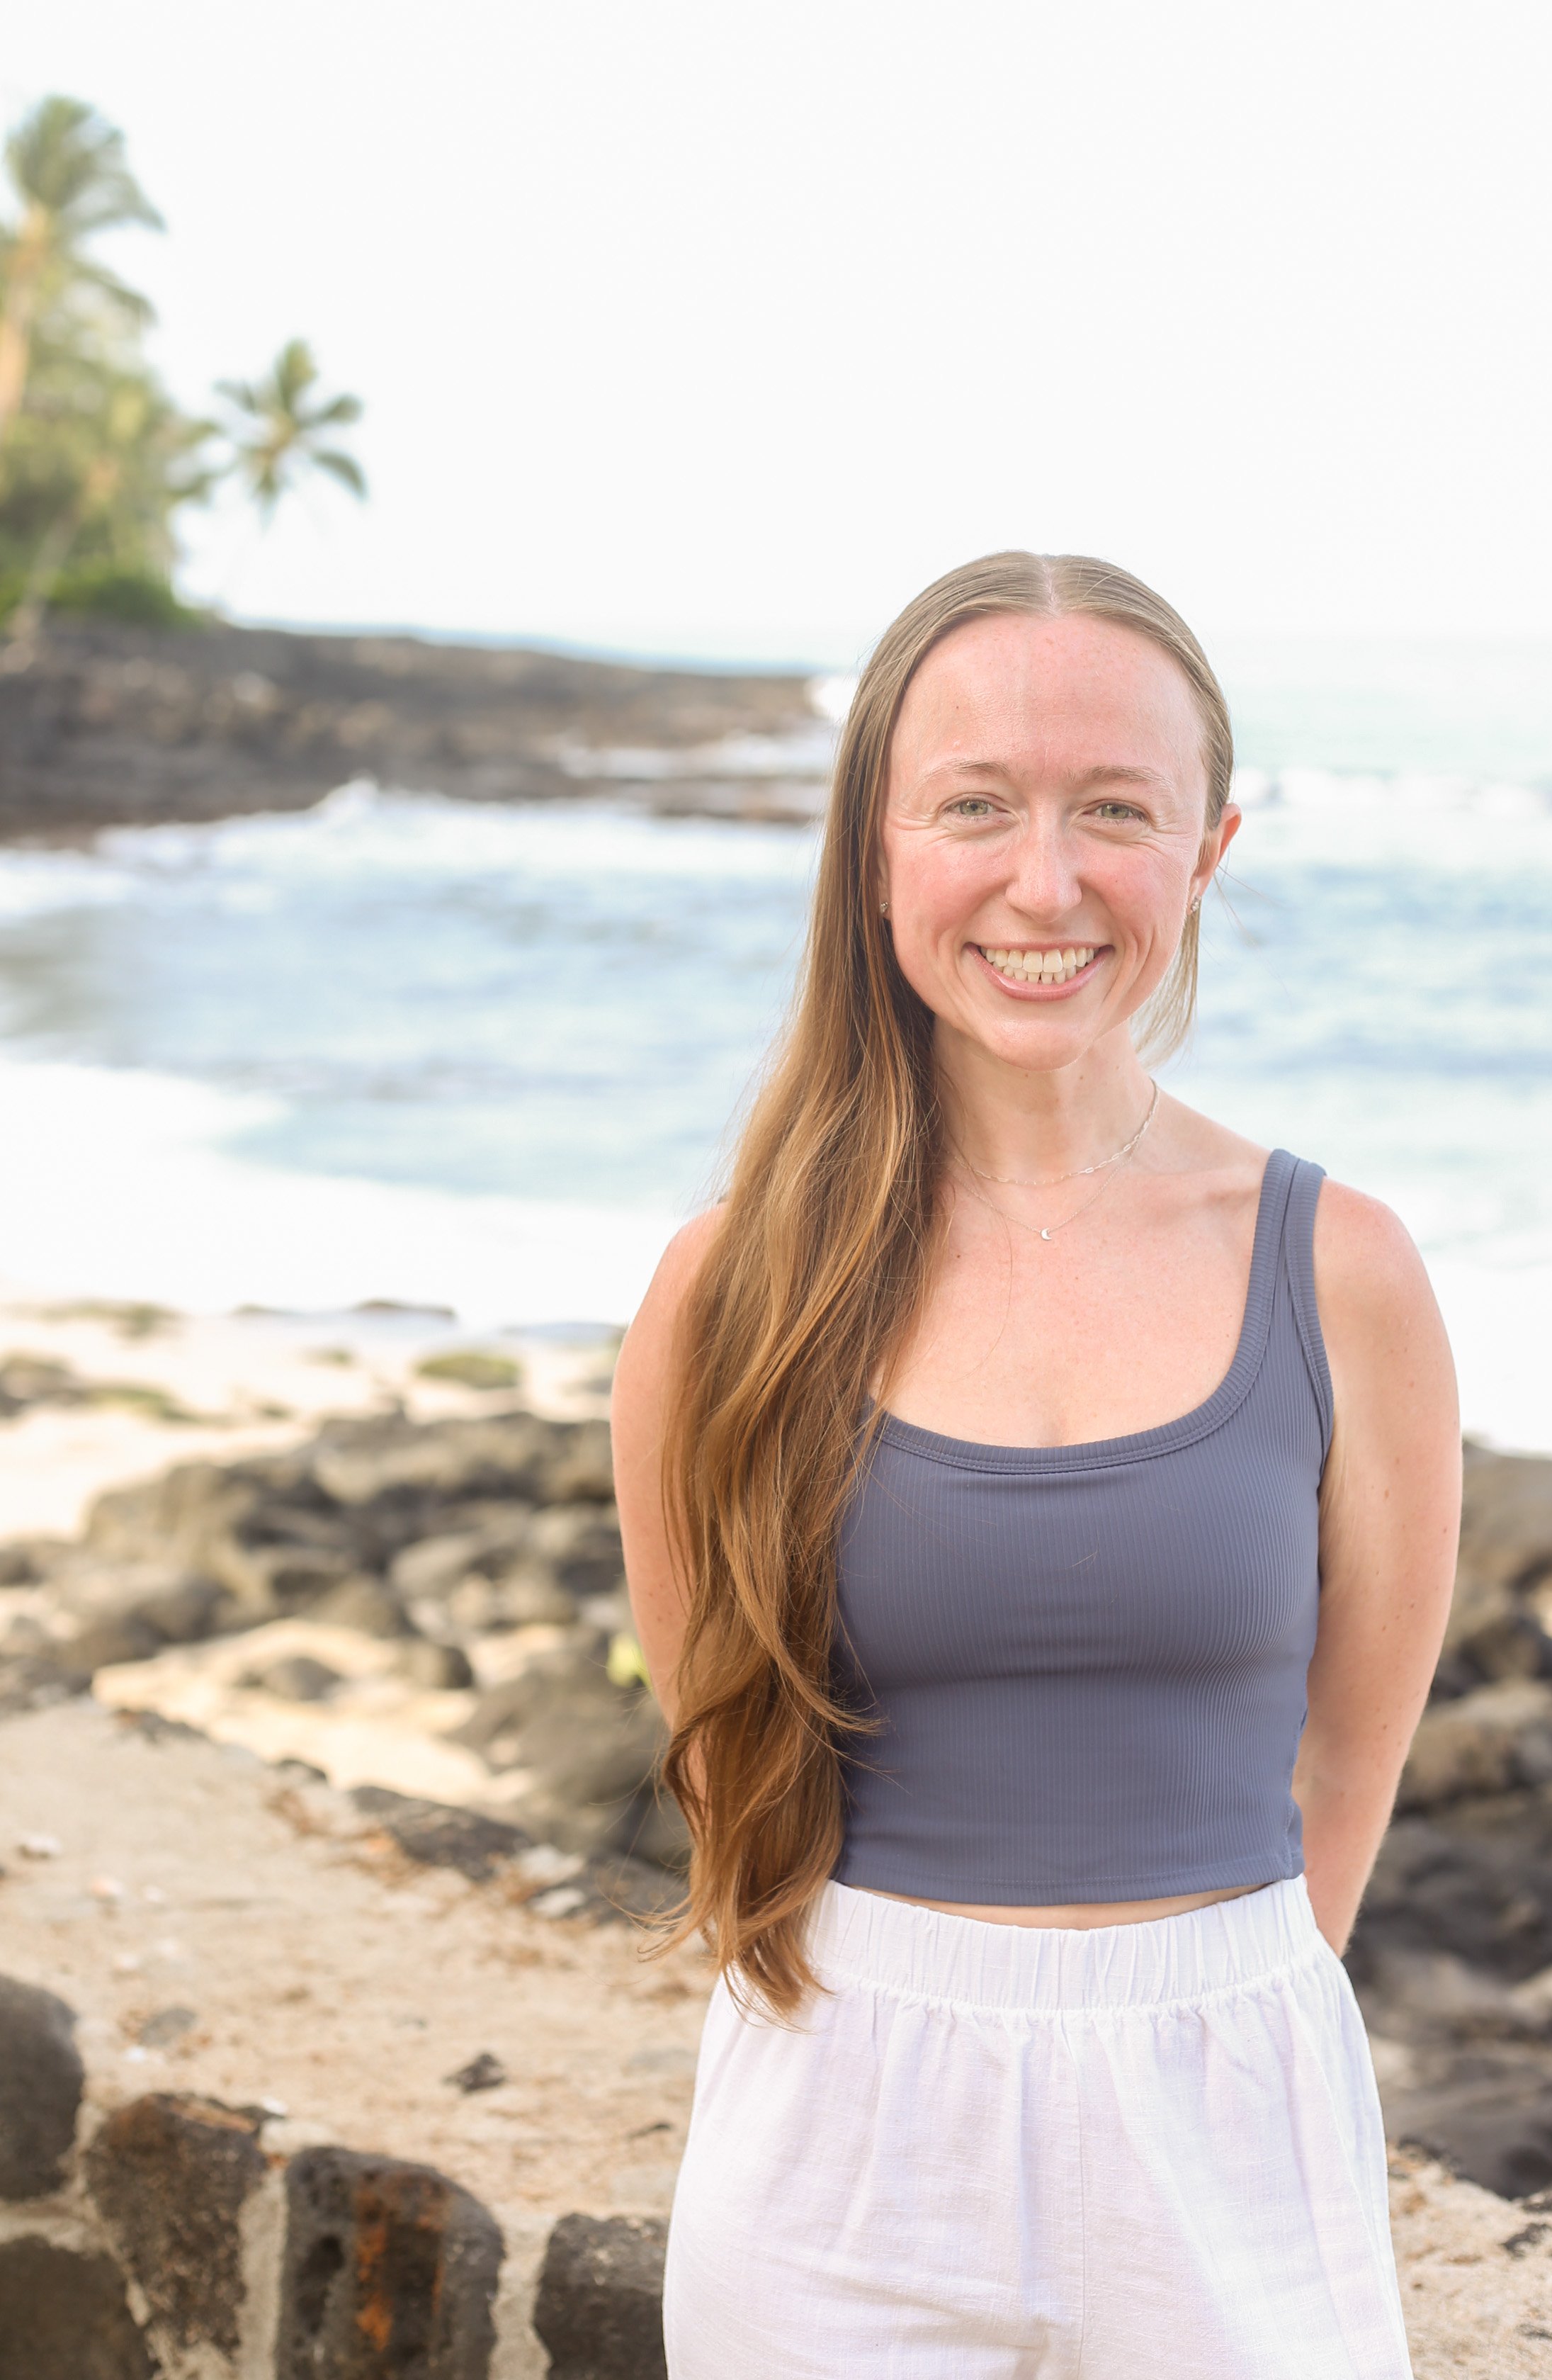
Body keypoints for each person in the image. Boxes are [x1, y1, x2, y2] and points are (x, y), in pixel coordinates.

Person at [611, 551, 1461, 2377]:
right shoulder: (727, 1292)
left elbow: (1349, 1774)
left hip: (1234, 2112)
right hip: (841, 2128)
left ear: (1209, 849)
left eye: (1118, 813)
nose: (1046, 882)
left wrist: (1184, 2013)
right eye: (975, 807)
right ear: (877, 848)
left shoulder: (1346, 1273)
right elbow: (719, 1741)